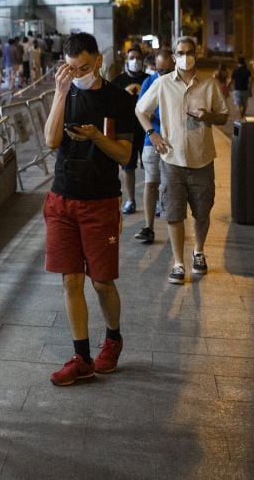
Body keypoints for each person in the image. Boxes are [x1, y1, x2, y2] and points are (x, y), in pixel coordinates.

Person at [39, 32, 135, 386]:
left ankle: (113, 337)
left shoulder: (116, 99)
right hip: (62, 198)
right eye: (70, 67)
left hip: (100, 201)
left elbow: (125, 155)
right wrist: (60, 94)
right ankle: (81, 356)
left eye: (83, 66)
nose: (78, 72)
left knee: (102, 282)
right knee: (71, 280)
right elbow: (51, 140)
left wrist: (96, 136)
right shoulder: (65, 93)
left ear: (98, 60)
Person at [135, 36, 229, 285]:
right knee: (174, 214)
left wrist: (209, 116)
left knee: (202, 212)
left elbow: (224, 117)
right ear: (174, 56)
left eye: (190, 52)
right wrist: (152, 134)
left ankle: (198, 252)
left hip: (202, 159)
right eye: (180, 52)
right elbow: (140, 110)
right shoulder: (163, 83)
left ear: (196, 54)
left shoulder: (209, 84)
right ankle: (178, 263)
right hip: (172, 160)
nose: (185, 56)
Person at [133, 49, 174, 244]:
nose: (162, 75)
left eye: (166, 71)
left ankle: (173, 226)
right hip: (152, 141)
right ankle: (149, 227)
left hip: (175, 142)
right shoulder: (150, 83)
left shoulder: (178, 84)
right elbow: (142, 111)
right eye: (159, 71)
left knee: (172, 186)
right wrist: (151, 131)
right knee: (151, 182)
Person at [111, 46, 148, 215]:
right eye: (132, 57)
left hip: (147, 130)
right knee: (128, 167)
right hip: (127, 131)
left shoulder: (151, 80)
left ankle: (154, 201)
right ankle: (131, 200)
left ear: (143, 61)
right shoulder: (118, 82)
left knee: (151, 167)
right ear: (127, 61)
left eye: (138, 58)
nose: (135, 61)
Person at [231, 57, 252, 122]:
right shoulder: (247, 71)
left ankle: (240, 118)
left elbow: (231, 80)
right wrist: (250, 90)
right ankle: (242, 117)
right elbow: (250, 81)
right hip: (245, 90)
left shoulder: (235, 70)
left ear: (238, 63)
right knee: (244, 105)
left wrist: (228, 86)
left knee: (238, 105)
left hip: (237, 90)